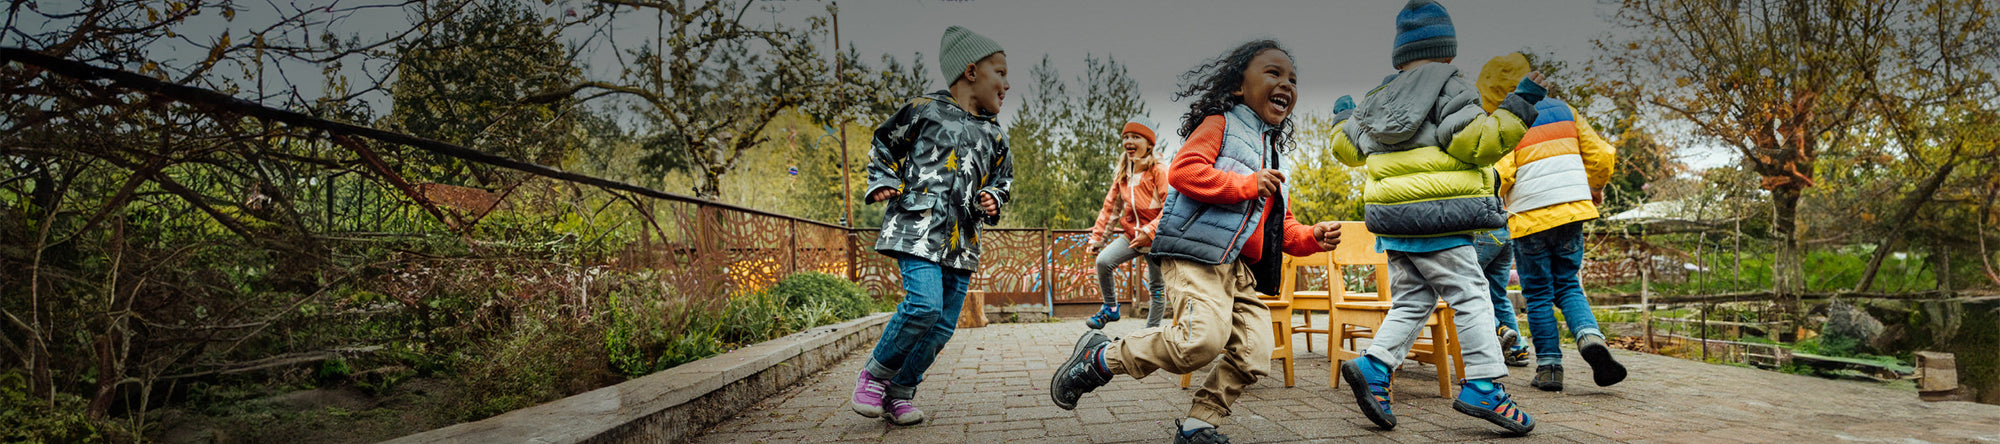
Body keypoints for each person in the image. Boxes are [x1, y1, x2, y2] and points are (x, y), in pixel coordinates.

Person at [1047, 40, 1342, 444]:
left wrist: (1311, 236)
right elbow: (1185, 171)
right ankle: (1100, 357)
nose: (1286, 84)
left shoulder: (1275, 155)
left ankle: (1198, 425)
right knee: (1200, 341)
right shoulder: (1221, 124)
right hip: (1196, 254)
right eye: (1273, 73)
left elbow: (1279, 225)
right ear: (1239, 85)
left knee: (1255, 352)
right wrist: (1245, 183)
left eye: (1293, 79)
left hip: (1237, 269)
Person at [1326, 0, 1544, 435]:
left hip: (1393, 224)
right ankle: (1484, 384)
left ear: (1400, 56)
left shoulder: (1376, 100)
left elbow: (1347, 150)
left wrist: (1340, 119)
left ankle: (1374, 365)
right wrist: (1520, 104)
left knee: (1413, 300)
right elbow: (1476, 144)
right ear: (1448, 52)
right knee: (1471, 296)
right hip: (1440, 218)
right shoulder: (1451, 88)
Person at [848, 25, 1012, 427]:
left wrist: (994, 196)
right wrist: (883, 179)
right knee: (924, 306)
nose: (1007, 84)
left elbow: (1002, 178)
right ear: (970, 72)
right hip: (916, 229)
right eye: (1000, 73)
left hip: (962, 240)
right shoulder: (924, 109)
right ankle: (875, 375)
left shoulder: (995, 134)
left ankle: (900, 392)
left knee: (941, 327)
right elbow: (884, 144)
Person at [1477, 52, 1627, 392]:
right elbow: (1601, 155)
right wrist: (1595, 188)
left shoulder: (1507, 120)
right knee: (1568, 284)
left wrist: (1492, 198)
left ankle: (1549, 368)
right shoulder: (1565, 110)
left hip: (1530, 219)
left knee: (1539, 294)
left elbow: (1501, 173)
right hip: (1572, 211)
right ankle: (1591, 338)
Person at [1083, 117, 1172, 330]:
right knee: (1103, 262)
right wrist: (1097, 238)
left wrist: (1150, 231)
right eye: (1126, 137)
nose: (1129, 141)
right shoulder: (1124, 173)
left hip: (1156, 238)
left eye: (1136, 137)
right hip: (1132, 235)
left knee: (1157, 289)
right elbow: (1110, 209)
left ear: (1149, 144)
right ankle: (1111, 308)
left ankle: (1150, 333)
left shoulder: (1159, 170)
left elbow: (1170, 207)